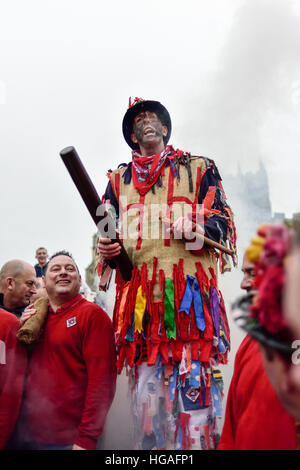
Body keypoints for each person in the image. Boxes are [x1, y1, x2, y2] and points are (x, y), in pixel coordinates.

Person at [97, 97, 237, 450]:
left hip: (191, 315)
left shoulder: (199, 167)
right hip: (142, 318)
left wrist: (196, 223)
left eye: (153, 117)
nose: (147, 121)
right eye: (139, 119)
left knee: (195, 416)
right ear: (132, 134)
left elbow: (224, 224)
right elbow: (102, 231)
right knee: (149, 416)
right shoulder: (116, 181)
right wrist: (106, 250)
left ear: (164, 128)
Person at [20, 250, 117, 450]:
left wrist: (86, 440)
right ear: (44, 282)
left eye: (70, 269)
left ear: (80, 280)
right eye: (55, 269)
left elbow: (102, 383)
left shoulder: (92, 315)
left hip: (70, 441)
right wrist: (20, 331)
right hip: (29, 435)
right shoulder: (35, 318)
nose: (63, 272)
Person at [218, 234, 298, 449]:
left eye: (252, 274)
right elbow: (230, 430)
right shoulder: (252, 340)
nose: (244, 284)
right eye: (244, 273)